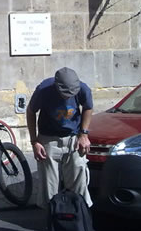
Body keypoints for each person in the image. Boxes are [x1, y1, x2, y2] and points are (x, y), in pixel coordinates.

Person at [26, 67, 93, 209]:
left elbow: (88, 107)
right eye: (65, 94)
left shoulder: (83, 89)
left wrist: (84, 134)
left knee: (79, 178)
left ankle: (79, 215)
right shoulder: (43, 90)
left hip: (73, 137)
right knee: (49, 185)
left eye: (71, 94)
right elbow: (31, 111)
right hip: (48, 138)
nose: (68, 97)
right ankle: (52, 218)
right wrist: (34, 141)